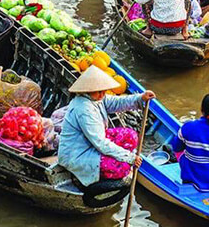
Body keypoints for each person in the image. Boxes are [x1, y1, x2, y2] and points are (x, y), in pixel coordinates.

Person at [57, 66, 155, 194]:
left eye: (103, 91)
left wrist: (140, 98)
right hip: (77, 153)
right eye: (98, 92)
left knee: (130, 136)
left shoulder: (97, 99)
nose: (102, 95)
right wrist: (129, 158)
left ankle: (111, 162)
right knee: (122, 168)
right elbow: (100, 143)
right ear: (88, 90)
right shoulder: (84, 109)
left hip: (91, 142)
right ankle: (91, 178)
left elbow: (117, 103)